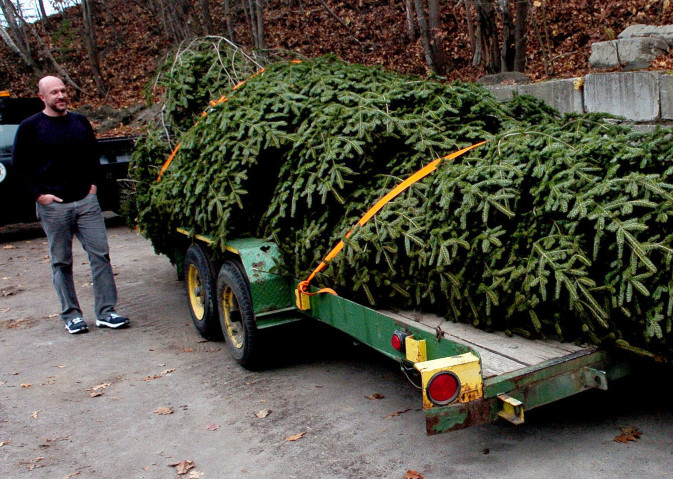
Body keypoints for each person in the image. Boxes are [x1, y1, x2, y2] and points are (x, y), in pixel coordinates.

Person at [11, 76, 129, 334]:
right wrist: (39, 197)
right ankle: (72, 315)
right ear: (42, 97)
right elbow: (19, 168)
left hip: (86, 202)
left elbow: (93, 156)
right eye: (54, 92)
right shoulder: (30, 127)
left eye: (63, 91)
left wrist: (93, 187)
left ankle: (106, 312)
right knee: (61, 262)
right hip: (54, 207)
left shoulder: (80, 122)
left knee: (100, 255)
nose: (61, 96)